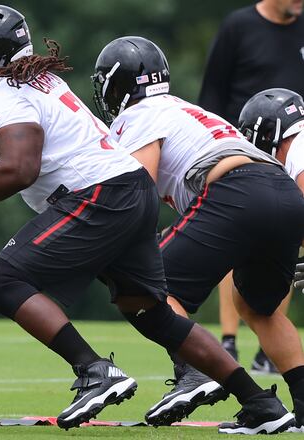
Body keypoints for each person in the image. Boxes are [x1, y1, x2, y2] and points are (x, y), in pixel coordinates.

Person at [0, 4, 284, 432]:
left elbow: (20, 169)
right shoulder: (42, 80)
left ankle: (94, 370)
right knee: (152, 313)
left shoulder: (7, 92)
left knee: (1, 280)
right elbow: (43, 163)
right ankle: (260, 403)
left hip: (100, 195)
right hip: (129, 190)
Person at [93, 35, 303, 434]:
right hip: (281, 191)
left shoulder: (137, 115)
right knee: (259, 308)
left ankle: (198, 374)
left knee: (143, 286)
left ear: (116, 84)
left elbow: (138, 191)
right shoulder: (185, 109)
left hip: (235, 191)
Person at [198, 0, 304, 371]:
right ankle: (228, 340)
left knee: (285, 247)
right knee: (235, 245)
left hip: (293, 150)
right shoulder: (238, 26)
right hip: (240, 150)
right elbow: (212, 91)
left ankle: (266, 350)